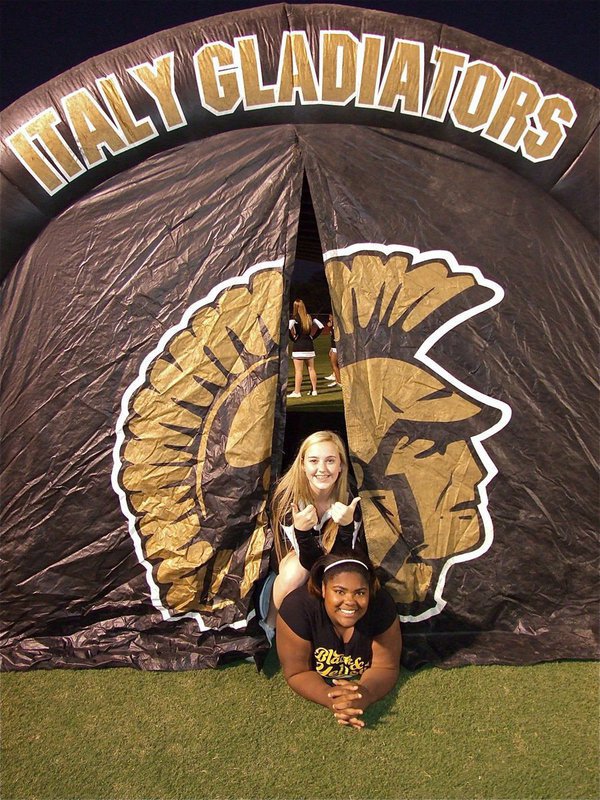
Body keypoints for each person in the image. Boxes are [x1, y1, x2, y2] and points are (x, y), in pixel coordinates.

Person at [277, 553, 401, 728]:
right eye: (340, 591)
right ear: (324, 588)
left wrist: (364, 694)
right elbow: (297, 672)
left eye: (360, 592)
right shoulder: (296, 609)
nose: (350, 601)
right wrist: (330, 697)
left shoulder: (381, 605)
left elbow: (386, 666)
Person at [260, 431, 365, 637]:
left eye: (330, 461)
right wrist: (301, 531)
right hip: (296, 565)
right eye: (314, 461)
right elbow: (307, 562)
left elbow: (344, 560)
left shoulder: (350, 496)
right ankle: (270, 625)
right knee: (294, 572)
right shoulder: (286, 496)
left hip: (331, 561)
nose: (322, 469)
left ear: (342, 465)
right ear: (302, 465)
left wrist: (346, 526)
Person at [288, 299, 324, 397]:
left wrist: (293, 338)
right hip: (309, 346)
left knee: (298, 371)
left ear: (295, 307)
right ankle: (314, 390)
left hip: (298, 346)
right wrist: (312, 337)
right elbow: (321, 327)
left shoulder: (294, 318)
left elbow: (287, 329)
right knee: (311, 369)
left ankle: (297, 392)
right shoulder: (309, 317)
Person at [324, 313, 341, 388]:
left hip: (337, 348)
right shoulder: (333, 326)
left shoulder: (336, 327)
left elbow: (336, 338)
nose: (329, 319)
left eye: (331, 317)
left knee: (335, 365)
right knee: (335, 365)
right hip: (334, 347)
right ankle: (337, 379)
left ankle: (339, 382)